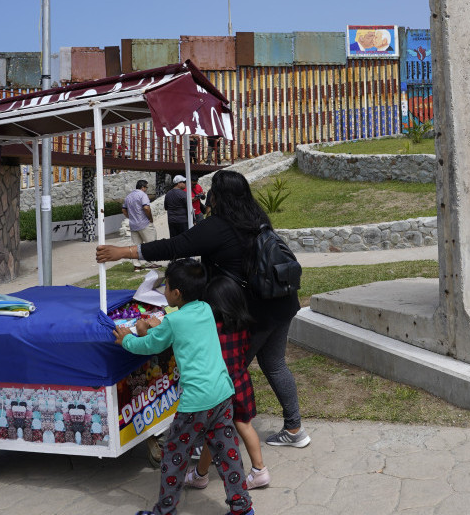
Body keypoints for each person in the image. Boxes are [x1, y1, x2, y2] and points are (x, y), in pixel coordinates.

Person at [96, 170, 310, 450]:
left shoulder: (219, 226)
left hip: (253, 311)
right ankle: (294, 428)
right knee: (274, 363)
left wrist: (125, 252)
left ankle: (203, 439)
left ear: (218, 196)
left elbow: (175, 246)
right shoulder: (257, 219)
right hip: (282, 301)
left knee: (225, 373)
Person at [112, 260, 254, 515]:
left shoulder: (174, 323)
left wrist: (128, 339)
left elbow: (150, 345)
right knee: (228, 453)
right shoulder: (206, 310)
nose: (164, 291)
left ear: (176, 293)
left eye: (166, 286)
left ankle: (165, 510)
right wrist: (162, 325)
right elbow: (179, 328)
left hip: (195, 403)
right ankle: (242, 507)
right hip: (222, 394)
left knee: (174, 456)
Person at [185, 268, 270, 491]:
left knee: (211, 432)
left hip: (219, 388)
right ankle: (259, 470)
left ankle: (201, 474)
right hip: (241, 382)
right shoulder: (242, 325)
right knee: (245, 425)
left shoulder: (211, 329)